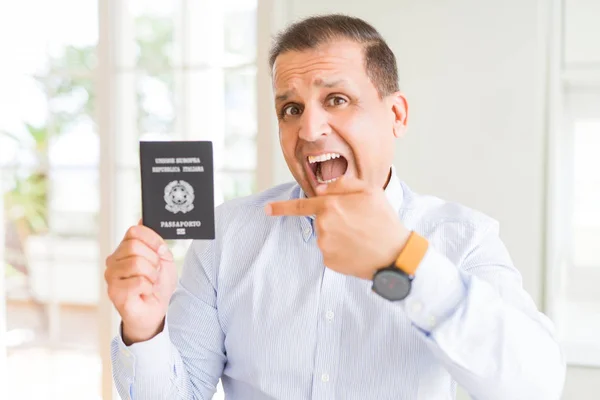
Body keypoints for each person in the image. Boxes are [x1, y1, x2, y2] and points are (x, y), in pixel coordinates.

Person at [105, 14, 566, 400]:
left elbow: (535, 385)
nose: (309, 130)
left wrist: (403, 262)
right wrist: (145, 328)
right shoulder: (227, 236)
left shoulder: (463, 238)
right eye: (290, 109)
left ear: (397, 115)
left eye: (337, 99)